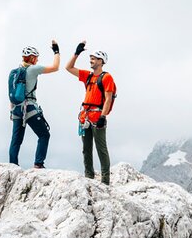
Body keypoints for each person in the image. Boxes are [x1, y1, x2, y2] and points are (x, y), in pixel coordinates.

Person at [65, 40, 116, 185]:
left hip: (97, 116)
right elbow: (68, 67)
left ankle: (105, 181)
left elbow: (108, 98)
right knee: (86, 149)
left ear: (101, 61)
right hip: (85, 117)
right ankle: (89, 176)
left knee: (101, 149)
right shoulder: (88, 76)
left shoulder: (106, 77)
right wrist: (76, 53)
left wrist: (103, 116)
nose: (91, 60)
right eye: (91, 58)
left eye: (94, 58)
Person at [8, 40, 60, 168]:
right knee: (44, 134)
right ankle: (38, 164)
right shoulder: (32, 69)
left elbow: (11, 94)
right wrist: (56, 51)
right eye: (36, 58)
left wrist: (12, 111)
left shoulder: (13, 72)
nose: (37, 60)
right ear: (31, 58)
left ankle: (13, 166)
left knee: (16, 140)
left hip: (16, 109)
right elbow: (55, 67)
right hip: (30, 107)